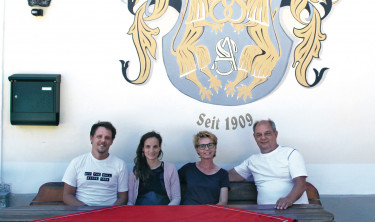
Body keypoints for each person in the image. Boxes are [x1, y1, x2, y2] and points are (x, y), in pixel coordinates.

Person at [228, 119, 308, 210]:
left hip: (295, 211)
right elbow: (230, 175)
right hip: (266, 214)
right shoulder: (252, 161)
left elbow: (301, 184)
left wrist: (289, 199)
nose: (263, 138)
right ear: (254, 137)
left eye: (267, 133)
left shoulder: (291, 154)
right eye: (259, 135)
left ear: (276, 134)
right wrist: (208, 170)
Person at [62, 121, 128, 206]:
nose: (103, 140)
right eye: (99, 136)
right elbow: (67, 195)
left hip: (109, 214)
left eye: (107, 138)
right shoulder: (76, 162)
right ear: (91, 138)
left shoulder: (120, 165)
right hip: (82, 213)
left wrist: (111, 212)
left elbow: (123, 197)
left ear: (111, 141)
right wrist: (85, 209)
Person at [128, 131, 181, 205]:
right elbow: (130, 201)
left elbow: (176, 198)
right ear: (143, 148)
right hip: (140, 214)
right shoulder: (135, 172)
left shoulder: (170, 168)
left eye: (155, 146)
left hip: (164, 213)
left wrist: (167, 213)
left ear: (159, 148)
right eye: (148, 146)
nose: (151, 151)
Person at [178, 131, 229, 205]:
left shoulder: (222, 174)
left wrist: (209, 212)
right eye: (202, 146)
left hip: (210, 214)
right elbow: (171, 181)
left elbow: (223, 202)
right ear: (197, 149)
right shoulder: (188, 169)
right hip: (189, 213)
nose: (207, 148)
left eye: (210, 145)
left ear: (215, 147)